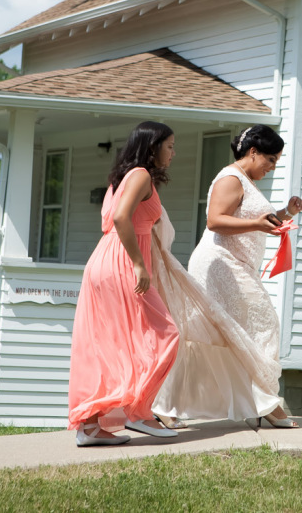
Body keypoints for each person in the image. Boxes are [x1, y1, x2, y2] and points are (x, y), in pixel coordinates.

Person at [166, 124, 302, 428]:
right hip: (219, 264)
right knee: (262, 324)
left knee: (214, 335)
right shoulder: (230, 178)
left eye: (277, 161)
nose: (272, 167)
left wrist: (286, 213)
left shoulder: (246, 181)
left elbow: (257, 221)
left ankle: (169, 408)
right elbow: (215, 220)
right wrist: (257, 224)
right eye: (270, 159)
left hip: (237, 264)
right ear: (252, 152)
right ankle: (267, 403)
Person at [67, 121, 180, 446]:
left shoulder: (124, 176)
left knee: (104, 343)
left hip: (105, 260)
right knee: (166, 333)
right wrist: (138, 265)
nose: (173, 153)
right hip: (120, 262)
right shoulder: (141, 175)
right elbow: (120, 218)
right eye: (170, 146)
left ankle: (89, 427)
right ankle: (139, 412)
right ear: (152, 146)